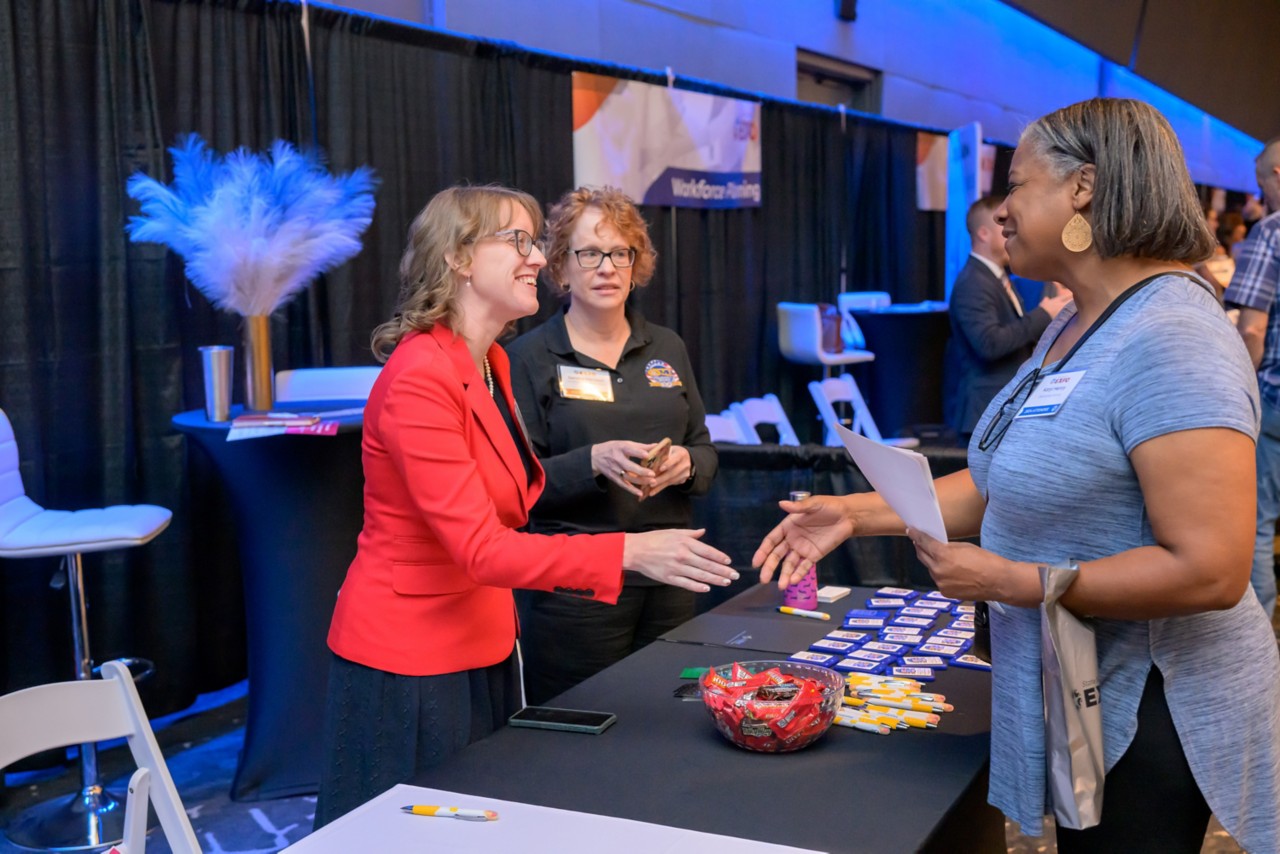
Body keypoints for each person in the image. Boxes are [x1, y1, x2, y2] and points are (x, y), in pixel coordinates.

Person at [754, 99, 1280, 853]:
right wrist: (855, 514)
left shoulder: (1175, 339)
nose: (1002, 210)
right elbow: (1003, 478)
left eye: (1017, 185)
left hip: (1151, 703)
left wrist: (1015, 579)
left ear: (1083, 190)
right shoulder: (1075, 324)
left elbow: (1211, 570)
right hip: (1080, 682)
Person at [314, 185, 737, 827]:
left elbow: (520, 494)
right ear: (458, 256)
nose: (537, 257)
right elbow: (480, 546)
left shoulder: (489, 365)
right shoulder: (420, 377)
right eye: (517, 240)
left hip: (481, 644)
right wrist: (629, 551)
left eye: (534, 243)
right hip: (412, 661)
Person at [506, 186, 718, 705]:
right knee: (580, 730)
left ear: (636, 264)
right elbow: (516, 489)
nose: (607, 267)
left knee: (664, 724)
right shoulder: (527, 357)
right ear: (560, 268)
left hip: (671, 575)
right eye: (590, 253)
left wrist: (687, 464)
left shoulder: (667, 347)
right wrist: (593, 462)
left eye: (621, 253)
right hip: (578, 589)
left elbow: (707, 452)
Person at [948, 194, 1072, 439]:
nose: (1010, 231)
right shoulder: (973, 282)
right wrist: (1044, 314)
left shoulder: (997, 276)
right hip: (982, 410)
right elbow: (988, 344)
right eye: (1002, 225)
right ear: (983, 234)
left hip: (1000, 407)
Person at [1224, 135, 1280, 618]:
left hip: (1277, 398)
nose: (1260, 195)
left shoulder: (1272, 232)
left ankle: (1260, 641)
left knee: (1258, 525)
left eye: (1260, 183)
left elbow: (1253, 328)